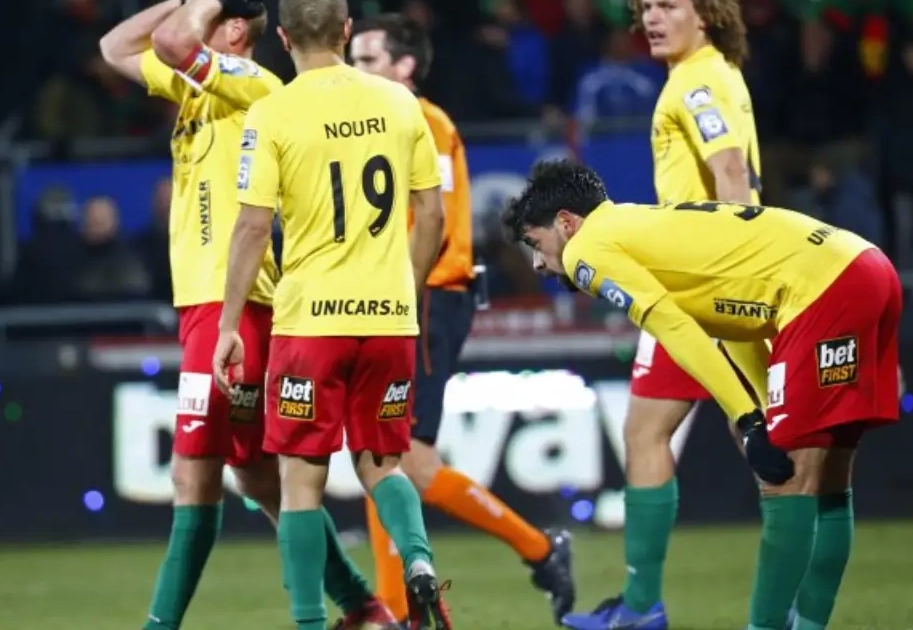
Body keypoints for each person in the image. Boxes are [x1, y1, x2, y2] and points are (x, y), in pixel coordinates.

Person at [505, 160, 903, 630]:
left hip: (823, 290)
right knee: (831, 479)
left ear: (566, 223)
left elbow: (673, 327)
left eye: (536, 244)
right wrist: (758, 411)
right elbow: (735, 326)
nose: (538, 264)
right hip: (866, 266)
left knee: (787, 481)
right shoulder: (641, 226)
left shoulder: (586, 250)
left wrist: (750, 421)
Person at [100, 2, 397, 629]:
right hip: (207, 304)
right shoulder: (197, 88)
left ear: (234, 29)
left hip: (232, 304)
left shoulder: (256, 85)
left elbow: (174, 42)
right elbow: (114, 48)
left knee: (192, 477)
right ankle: (363, 607)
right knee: (258, 476)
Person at [211, 1, 451, 629]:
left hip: (311, 324)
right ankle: (418, 559)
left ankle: (311, 623)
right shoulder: (400, 103)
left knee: (299, 481)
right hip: (388, 319)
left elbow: (253, 227)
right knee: (383, 464)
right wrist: (406, 289)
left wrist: (229, 324)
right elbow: (432, 214)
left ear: (283, 37)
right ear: (346, 31)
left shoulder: (273, 112)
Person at [349, 13, 577, 626]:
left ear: (404, 66)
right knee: (386, 451)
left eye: (367, 60)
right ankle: (409, 603)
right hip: (403, 295)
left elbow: (437, 222)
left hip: (425, 295)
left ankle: (528, 553)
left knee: (400, 457)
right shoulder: (373, 122)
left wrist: (396, 292)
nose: (354, 70)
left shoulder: (424, 121)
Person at [560, 0, 759, 628]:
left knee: (771, 447)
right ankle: (643, 605)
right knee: (655, 432)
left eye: (668, 4)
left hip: (709, 285)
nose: (650, 17)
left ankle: (778, 608)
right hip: (699, 284)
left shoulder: (697, 81)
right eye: (644, 6)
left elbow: (731, 171)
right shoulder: (712, 73)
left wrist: (736, 266)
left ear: (707, 14)